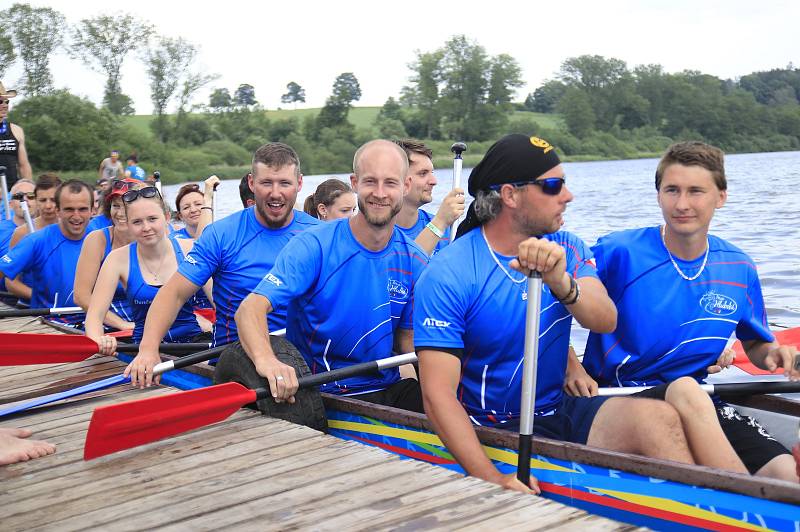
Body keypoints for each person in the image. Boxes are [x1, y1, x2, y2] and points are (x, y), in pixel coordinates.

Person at [414, 134, 704, 494]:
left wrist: (560, 281)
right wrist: (493, 479)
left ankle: (700, 510)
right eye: (553, 186)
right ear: (510, 195)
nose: (568, 196)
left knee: (659, 419)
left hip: (555, 409)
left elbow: (604, 319)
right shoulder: (449, 272)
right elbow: (437, 396)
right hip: (491, 424)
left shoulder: (568, 246)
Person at [577, 141, 800, 482]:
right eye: (672, 190)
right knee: (685, 388)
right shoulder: (620, 251)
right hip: (618, 394)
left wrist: (775, 355)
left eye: (695, 191)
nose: (682, 204)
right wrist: (565, 362)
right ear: (658, 195)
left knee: (785, 472)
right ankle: (745, 502)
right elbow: (553, 304)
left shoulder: (739, 265)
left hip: (698, 397)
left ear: (720, 197)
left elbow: (756, 346)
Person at [235, 139, 427, 410]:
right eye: (370, 181)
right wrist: (267, 361)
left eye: (391, 183)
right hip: (317, 392)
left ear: (406, 186)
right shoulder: (314, 246)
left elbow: (408, 342)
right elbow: (249, 310)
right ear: (355, 182)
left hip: (386, 387)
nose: (380, 193)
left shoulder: (416, 260)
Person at [124, 142, 320, 387]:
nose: (275, 193)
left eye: (285, 183)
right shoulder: (221, 234)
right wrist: (148, 349)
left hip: (302, 360)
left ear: (299, 184)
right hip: (236, 363)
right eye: (266, 183)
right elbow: (173, 294)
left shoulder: (319, 235)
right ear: (251, 183)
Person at [86, 186, 212, 355]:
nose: (146, 227)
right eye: (137, 222)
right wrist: (99, 340)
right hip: (144, 350)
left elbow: (220, 301)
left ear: (167, 218)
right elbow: (94, 317)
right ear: (129, 225)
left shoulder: (192, 250)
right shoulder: (116, 260)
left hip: (194, 344)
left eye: (152, 219)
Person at [0, 179, 93, 314]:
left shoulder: (101, 235)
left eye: (82, 209)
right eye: (69, 209)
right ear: (58, 211)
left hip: (95, 319)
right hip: (52, 321)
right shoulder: (36, 240)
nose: (76, 216)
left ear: (93, 210)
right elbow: (7, 277)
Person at [74, 179, 141, 331]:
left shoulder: (153, 237)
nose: (120, 213)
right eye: (116, 206)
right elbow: (81, 296)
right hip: (108, 321)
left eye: (127, 206)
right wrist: (121, 325)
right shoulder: (97, 240)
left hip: (148, 318)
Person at [393, 139, 465, 256]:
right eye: (423, 173)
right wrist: (440, 221)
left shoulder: (447, 230)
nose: (434, 181)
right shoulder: (379, 233)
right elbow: (406, 268)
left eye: (432, 173)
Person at [2, 173, 62, 301]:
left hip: (70, 306)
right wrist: (40, 297)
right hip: (32, 307)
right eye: (42, 200)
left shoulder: (73, 228)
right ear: (35, 200)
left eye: (53, 200)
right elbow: (11, 282)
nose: (48, 206)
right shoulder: (21, 233)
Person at [0, 179, 36, 291]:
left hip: (46, 299)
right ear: (10, 204)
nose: (24, 199)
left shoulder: (50, 229)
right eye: (18, 196)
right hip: (6, 299)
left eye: (30, 195)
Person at [0, 82, 33, 192]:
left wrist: (29, 191)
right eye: (0, 101)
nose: (5, 105)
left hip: (12, 194)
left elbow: (23, 165)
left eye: (7, 101)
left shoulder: (16, 130)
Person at [172, 175, 221, 240]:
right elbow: (201, 245)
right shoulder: (174, 238)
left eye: (198, 204)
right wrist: (207, 198)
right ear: (180, 216)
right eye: (186, 207)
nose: (193, 210)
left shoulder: (221, 232)